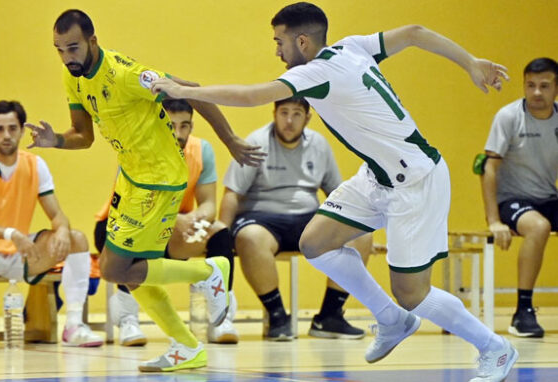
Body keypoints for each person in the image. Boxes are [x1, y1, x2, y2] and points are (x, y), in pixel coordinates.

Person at [151, 3, 517, 381]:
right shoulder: (351, 47)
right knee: (315, 243)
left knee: (414, 293)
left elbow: (250, 95)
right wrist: (470, 61)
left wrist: (182, 90)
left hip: (416, 181)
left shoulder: (318, 72)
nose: (277, 51)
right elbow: (414, 32)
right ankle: (391, 319)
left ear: (302, 41)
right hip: (378, 176)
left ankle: (495, 348)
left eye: (279, 42)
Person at [25, 10, 263, 372]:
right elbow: (84, 136)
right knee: (135, 272)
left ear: (92, 41)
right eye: (59, 50)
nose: (66, 57)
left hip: (160, 179)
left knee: (114, 269)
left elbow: (193, 91)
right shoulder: (72, 77)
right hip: (132, 178)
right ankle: (186, 346)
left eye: (72, 47)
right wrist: (55, 140)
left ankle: (209, 273)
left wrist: (229, 139)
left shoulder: (127, 74)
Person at [219, 96, 372, 341]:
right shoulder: (256, 142)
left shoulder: (319, 145)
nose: (289, 121)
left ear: (308, 117)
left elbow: (337, 193)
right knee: (249, 237)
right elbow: (232, 194)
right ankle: (277, 316)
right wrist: (220, 238)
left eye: (296, 114)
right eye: (284, 113)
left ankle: (330, 317)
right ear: (274, 113)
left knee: (361, 234)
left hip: (308, 220)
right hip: (263, 220)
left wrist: (357, 221)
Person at [0, 100, 102, 349]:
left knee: (77, 238)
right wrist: (10, 233)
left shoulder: (35, 164)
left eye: (12, 128)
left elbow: (56, 214)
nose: (6, 135)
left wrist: (63, 231)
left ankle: (74, 326)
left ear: (22, 131)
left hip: (23, 252)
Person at [95, 98, 238, 346]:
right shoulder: (139, 150)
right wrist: (174, 221)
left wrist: (193, 218)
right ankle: (129, 320)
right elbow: (135, 208)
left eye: (185, 126)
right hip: (120, 224)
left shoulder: (201, 150)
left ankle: (221, 318)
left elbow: (208, 205)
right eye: (172, 125)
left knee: (220, 234)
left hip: (173, 228)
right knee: (135, 246)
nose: (179, 133)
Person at [480, 57, 558, 338]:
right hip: (512, 200)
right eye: (530, 85)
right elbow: (488, 168)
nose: (537, 92)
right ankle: (522, 311)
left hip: (548, 197)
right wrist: (493, 221)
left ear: (556, 89)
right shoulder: (509, 117)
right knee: (538, 227)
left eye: (544, 86)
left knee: (542, 220)